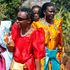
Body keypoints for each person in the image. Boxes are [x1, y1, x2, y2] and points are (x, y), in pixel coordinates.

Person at [32, 2, 63, 70]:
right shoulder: (37, 25)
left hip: (55, 58)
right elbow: (34, 45)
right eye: (50, 11)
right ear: (44, 12)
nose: (52, 13)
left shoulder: (57, 24)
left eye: (53, 12)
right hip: (42, 59)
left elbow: (60, 43)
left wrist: (60, 57)